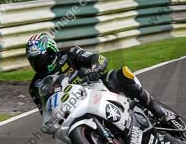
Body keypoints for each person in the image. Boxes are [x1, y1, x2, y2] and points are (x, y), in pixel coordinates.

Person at [25, 33, 167, 119]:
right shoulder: (35, 85)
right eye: (34, 61)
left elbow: (98, 59)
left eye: (40, 59)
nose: (38, 65)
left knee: (119, 76)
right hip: (72, 107)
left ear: (51, 52)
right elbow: (45, 112)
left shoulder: (69, 53)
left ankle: (154, 108)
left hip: (95, 87)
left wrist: (94, 69)